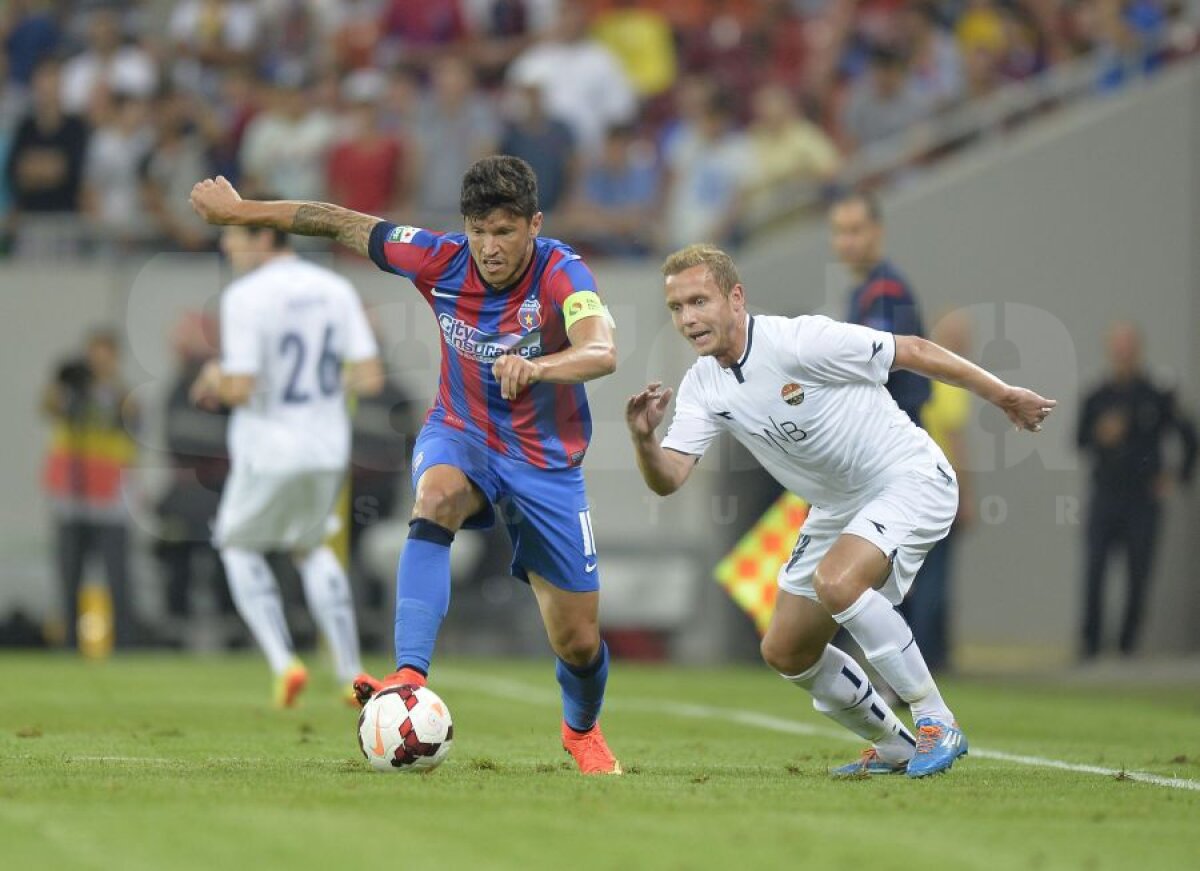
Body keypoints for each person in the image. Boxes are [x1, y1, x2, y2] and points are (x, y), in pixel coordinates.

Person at [189, 155, 622, 775]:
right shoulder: (439, 259)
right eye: (478, 230)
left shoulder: (563, 273)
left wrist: (541, 366)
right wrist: (240, 212)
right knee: (437, 496)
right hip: (462, 432)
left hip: (545, 463)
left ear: (534, 224)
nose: (489, 247)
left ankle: (581, 731)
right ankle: (408, 675)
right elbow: (335, 221)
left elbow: (602, 349)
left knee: (578, 641)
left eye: (503, 231)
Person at [625, 244, 1054, 778]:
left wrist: (1003, 393)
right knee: (786, 649)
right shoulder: (703, 384)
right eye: (676, 308)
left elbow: (914, 350)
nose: (687, 319)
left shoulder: (800, 340)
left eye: (698, 301)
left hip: (908, 477)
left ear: (735, 298)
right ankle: (893, 744)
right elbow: (669, 478)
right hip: (838, 508)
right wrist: (644, 442)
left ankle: (935, 719)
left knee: (837, 581)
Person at [189, 220, 384, 707]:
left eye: (233, 234)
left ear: (263, 236)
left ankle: (284, 663)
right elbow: (370, 376)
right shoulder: (336, 289)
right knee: (314, 546)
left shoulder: (245, 296)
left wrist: (213, 375)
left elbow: (239, 388)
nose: (225, 244)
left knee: (236, 545)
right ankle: (350, 672)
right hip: (325, 448)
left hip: (267, 448)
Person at [1076, 321, 1196, 659]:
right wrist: (1101, 434)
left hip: (1143, 498)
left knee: (1138, 572)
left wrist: (1176, 476)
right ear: (1110, 351)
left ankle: (1128, 646)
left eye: (1128, 347)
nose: (1123, 354)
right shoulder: (1097, 394)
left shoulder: (1157, 392)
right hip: (1105, 495)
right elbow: (1079, 439)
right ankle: (1090, 645)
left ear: (1138, 351)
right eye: (1117, 348)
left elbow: (1189, 436)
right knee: (1095, 569)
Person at [40, 328, 139, 650]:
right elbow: (47, 407)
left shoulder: (122, 394)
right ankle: (70, 645)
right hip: (71, 498)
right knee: (69, 578)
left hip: (109, 500)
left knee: (118, 579)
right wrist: (64, 381)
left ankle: (124, 644)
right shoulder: (71, 391)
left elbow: (133, 421)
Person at [903, 310, 976, 672]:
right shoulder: (948, 381)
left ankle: (903, 656)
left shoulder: (916, 375)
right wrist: (965, 495)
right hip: (937, 487)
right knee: (934, 577)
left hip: (907, 485)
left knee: (905, 576)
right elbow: (954, 443)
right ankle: (928, 656)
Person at [832, 190, 931, 427]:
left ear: (877, 230)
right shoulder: (861, 292)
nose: (847, 242)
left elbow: (873, 362)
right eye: (839, 232)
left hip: (900, 431)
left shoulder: (887, 291)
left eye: (855, 230)